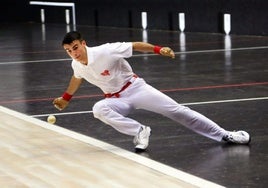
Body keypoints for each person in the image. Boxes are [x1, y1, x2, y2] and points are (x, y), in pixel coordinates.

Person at [53, 31, 251, 151]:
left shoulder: (106, 50)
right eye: (69, 51)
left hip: (136, 89)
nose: (74, 53)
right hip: (116, 100)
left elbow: (135, 45)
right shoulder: (77, 64)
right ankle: (139, 131)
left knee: (178, 111)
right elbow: (77, 77)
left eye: (76, 47)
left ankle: (225, 134)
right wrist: (66, 97)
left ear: (84, 43)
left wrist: (158, 49)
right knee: (98, 109)